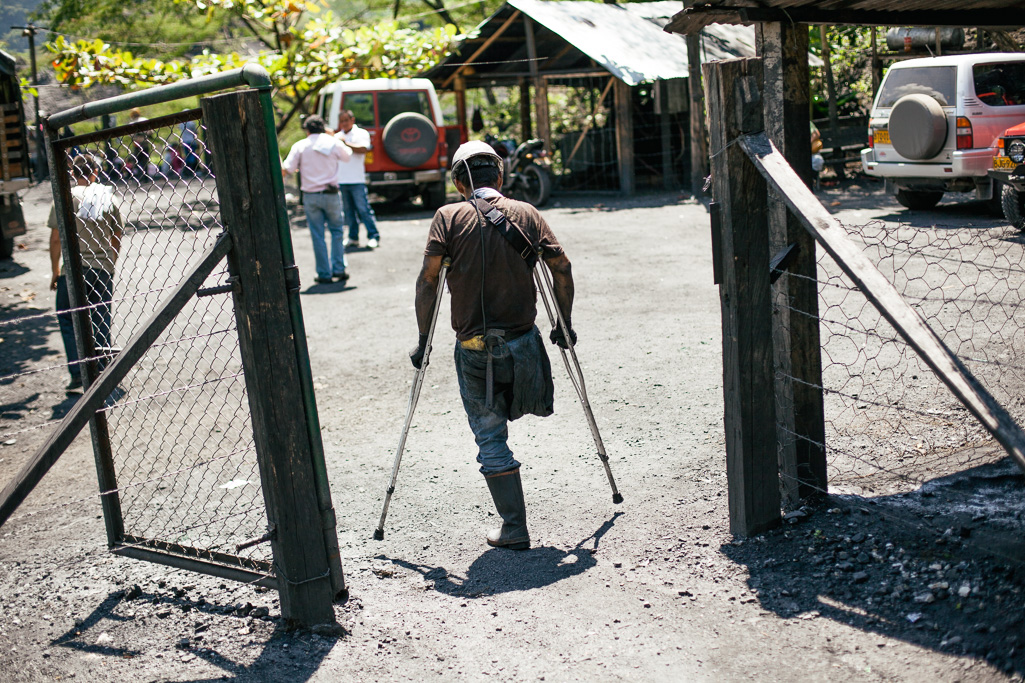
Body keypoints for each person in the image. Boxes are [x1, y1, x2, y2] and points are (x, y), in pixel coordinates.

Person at [411, 141, 576, 550]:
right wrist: (564, 323)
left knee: (490, 437)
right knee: (503, 421)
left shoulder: (447, 217)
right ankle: (514, 524)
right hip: (524, 346)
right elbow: (562, 267)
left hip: (473, 348)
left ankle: (514, 527)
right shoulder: (528, 213)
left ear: (457, 182)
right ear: (499, 177)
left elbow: (429, 280)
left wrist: (421, 341)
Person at [48, 154, 123, 391]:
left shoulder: (64, 197)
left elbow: (56, 239)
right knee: (101, 317)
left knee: (68, 317)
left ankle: (79, 372)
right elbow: (116, 235)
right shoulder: (107, 197)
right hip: (102, 268)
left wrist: (55, 271)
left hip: (73, 269)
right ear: (96, 173)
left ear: (72, 174)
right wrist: (110, 261)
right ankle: (102, 369)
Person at [282, 115, 353, 284]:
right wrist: (332, 135)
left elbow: (288, 168)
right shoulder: (332, 142)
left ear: (306, 130)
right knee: (337, 231)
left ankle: (324, 273)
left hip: (311, 196)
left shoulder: (300, 145)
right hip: (331, 194)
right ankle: (339, 268)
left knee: (317, 234)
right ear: (323, 128)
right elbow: (348, 156)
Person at [334, 109, 380, 249]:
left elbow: (363, 149)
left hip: (356, 179)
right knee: (348, 212)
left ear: (352, 120)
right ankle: (353, 237)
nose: (344, 123)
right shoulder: (337, 136)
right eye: (341, 121)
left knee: (363, 209)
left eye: (346, 120)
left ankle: (373, 236)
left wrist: (345, 143)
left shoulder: (361, 133)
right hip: (342, 179)